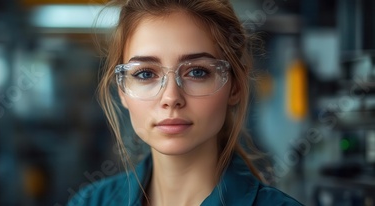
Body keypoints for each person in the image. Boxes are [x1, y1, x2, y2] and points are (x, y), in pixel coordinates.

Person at [69, 0, 303, 205]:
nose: (171, 98)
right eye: (146, 74)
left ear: (236, 86)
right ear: (122, 89)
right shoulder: (89, 202)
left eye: (197, 72)